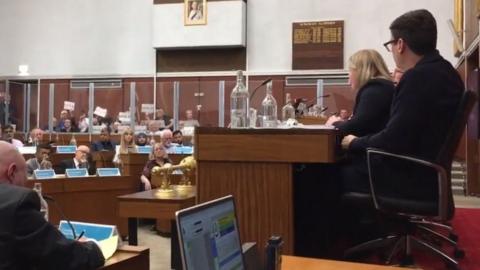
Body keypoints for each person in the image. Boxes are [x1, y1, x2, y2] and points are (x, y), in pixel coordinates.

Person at [340, 9, 464, 197]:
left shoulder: (418, 77)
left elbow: (392, 140)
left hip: (407, 179)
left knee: (320, 173)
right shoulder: (447, 72)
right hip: (426, 175)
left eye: (389, 44)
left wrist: (355, 142)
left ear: (400, 44)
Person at [0, 141, 105, 269]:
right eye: (25, 178)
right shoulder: (17, 204)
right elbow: (63, 256)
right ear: (11, 172)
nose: (25, 184)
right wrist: (93, 246)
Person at [325, 49, 395, 137]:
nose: (349, 77)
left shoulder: (374, 91)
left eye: (350, 70)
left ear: (360, 70)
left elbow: (357, 127)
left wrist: (334, 123)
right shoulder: (380, 88)